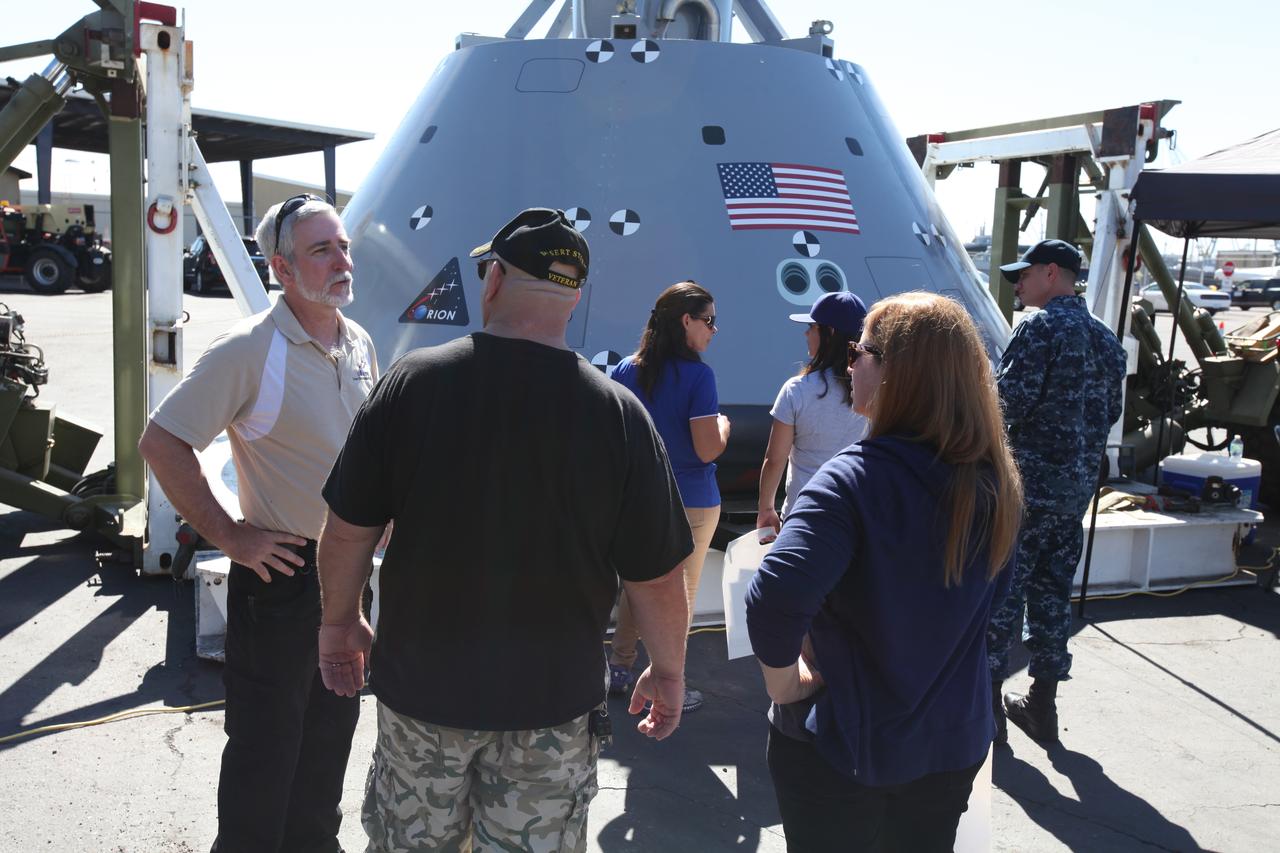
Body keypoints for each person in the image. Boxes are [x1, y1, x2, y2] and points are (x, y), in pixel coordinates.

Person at [315, 208, 694, 853]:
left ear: (493, 280)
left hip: (424, 696)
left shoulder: (413, 383)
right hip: (551, 708)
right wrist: (668, 671)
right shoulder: (619, 414)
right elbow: (656, 577)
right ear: (574, 297)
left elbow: (349, 529)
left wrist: (338, 624)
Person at [138, 194, 378, 853]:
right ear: (282, 267)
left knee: (330, 735)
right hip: (283, 578)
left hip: (348, 577)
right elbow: (162, 442)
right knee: (266, 748)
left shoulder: (357, 342)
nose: (342, 260)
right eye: (322, 250)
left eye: (344, 246)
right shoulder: (250, 349)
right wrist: (233, 536)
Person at [746, 292, 1022, 852]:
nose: (850, 365)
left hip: (843, 746)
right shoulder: (997, 485)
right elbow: (992, 609)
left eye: (860, 352)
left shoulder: (849, 482)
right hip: (951, 745)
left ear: (900, 374)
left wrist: (786, 684)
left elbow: (773, 598)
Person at [987, 239, 1128, 743]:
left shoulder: (1039, 329)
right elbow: (1111, 413)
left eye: (1022, 275)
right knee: (1051, 595)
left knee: (1001, 595)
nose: (1017, 285)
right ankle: (1042, 705)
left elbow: (1005, 405)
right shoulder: (1107, 341)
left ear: (1051, 273)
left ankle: (988, 711)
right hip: (1074, 496)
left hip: (1024, 494)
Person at [607, 281, 729, 713]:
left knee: (635, 586)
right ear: (686, 321)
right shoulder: (700, 377)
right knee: (681, 597)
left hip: (639, 498)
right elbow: (706, 449)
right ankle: (667, 682)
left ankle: (620, 668)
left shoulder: (625, 370)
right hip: (692, 499)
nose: (714, 329)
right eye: (709, 320)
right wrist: (724, 427)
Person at [756, 291, 870, 542]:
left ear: (830, 332)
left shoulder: (796, 390)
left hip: (803, 519)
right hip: (857, 518)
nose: (806, 334)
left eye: (812, 327)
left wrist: (766, 509)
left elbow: (774, 459)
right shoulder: (875, 392)